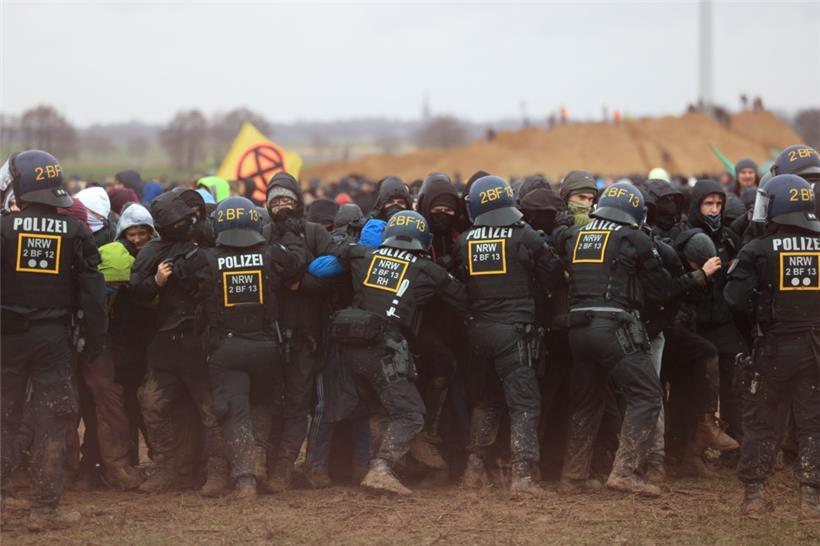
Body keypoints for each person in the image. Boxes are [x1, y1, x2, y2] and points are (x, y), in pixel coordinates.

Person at [1, 150, 106, 530]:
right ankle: (44, 510)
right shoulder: (76, 232)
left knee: (4, 418)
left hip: (7, 337)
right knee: (53, 418)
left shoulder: (2, 227)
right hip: (53, 339)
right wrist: (94, 342)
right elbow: (94, 296)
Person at [328, 210, 468, 495]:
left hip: (350, 353)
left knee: (382, 410)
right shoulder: (428, 269)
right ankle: (382, 468)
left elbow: (338, 253)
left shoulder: (363, 255)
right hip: (385, 352)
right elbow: (463, 301)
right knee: (411, 414)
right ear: (424, 240)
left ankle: (392, 469)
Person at [556, 181, 671, 497]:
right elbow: (661, 288)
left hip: (577, 329)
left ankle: (573, 476)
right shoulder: (633, 237)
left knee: (586, 401)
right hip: (614, 328)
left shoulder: (575, 236)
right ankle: (625, 471)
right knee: (647, 395)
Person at [186, 197, 305, 499]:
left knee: (234, 413)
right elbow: (296, 264)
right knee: (263, 405)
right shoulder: (272, 254)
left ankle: (245, 480)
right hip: (268, 348)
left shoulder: (204, 258)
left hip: (226, 350)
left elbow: (188, 281)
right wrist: (288, 232)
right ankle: (261, 465)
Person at [455, 175, 564, 496]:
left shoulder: (465, 240)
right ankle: (523, 477)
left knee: (487, 400)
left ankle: (473, 469)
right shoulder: (524, 235)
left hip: (478, 334)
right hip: (515, 335)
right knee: (525, 404)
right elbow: (553, 272)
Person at [724, 174, 820, 520]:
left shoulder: (758, 248)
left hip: (772, 350)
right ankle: (811, 499)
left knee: (762, 421)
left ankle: (754, 496)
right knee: (813, 422)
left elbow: (733, 300)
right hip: (815, 351)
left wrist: (754, 337)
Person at [131, 191, 228, 496]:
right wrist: (157, 282)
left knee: (211, 410)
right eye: (177, 223)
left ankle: (216, 471)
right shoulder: (154, 251)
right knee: (151, 402)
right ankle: (167, 468)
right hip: (167, 340)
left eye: (186, 220)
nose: (183, 226)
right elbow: (137, 293)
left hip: (202, 339)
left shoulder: (208, 243)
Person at [262, 172, 336, 492]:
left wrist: (302, 283)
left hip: (307, 333)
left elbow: (337, 272)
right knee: (267, 400)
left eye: (287, 200)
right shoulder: (261, 233)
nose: (281, 206)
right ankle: (262, 463)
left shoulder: (315, 233)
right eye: (275, 201)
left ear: (298, 202)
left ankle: (283, 466)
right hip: (267, 333)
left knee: (297, 402)